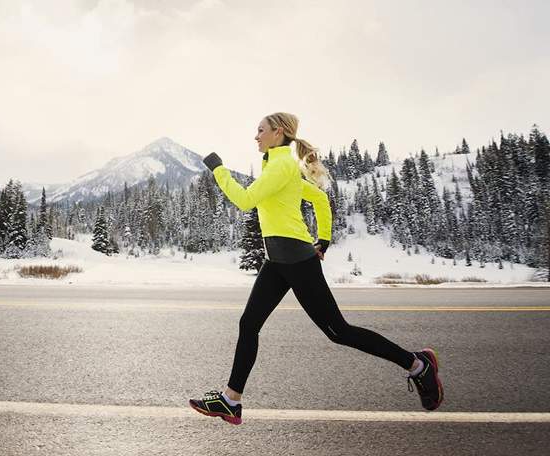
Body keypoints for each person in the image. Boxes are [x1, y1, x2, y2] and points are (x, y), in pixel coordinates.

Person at [188, 112, 443, 425]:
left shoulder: (281, 165)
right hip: (277, 262)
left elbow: (244, 200)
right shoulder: (277, 165)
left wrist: (218, 169)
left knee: (338, 331)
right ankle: (231, 401)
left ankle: (417, 364)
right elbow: (320, 198)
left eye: (260, 130)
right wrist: (323, 238)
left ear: (277, 132)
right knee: (249, 323)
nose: (255, 136)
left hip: (297, 261)